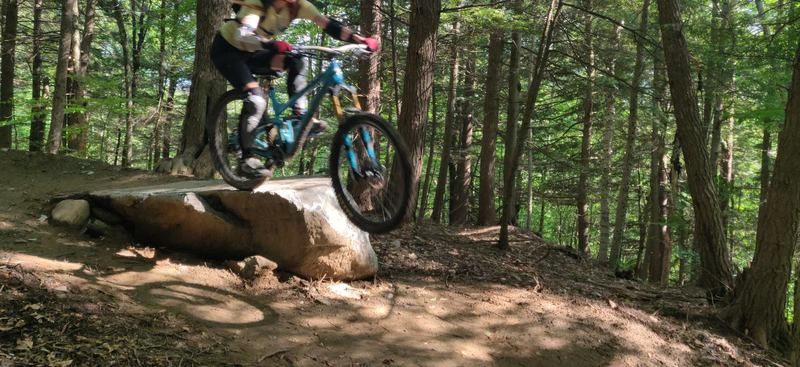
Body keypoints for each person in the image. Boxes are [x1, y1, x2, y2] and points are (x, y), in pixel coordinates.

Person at [211, 0, 379, 178]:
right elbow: (243, 33)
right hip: (229, 51)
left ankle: (299, 116)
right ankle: (246, 159)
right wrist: (271, 45)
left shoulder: (298, 6)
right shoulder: (257, 4)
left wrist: (357, 38)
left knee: (297, 61)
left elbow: (328, 24)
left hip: (255, 52)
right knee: (257, 100)